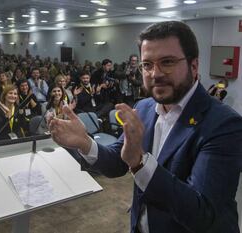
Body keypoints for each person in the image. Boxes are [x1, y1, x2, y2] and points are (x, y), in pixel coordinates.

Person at [48, 21, 242, 233]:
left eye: (167, 62)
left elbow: (201, 213)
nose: (155, 73)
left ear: (193, 66)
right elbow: (118, 161)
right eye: (147, 65)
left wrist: (140, 163)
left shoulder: (224, 125)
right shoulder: (145, 107)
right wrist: (86, 143)